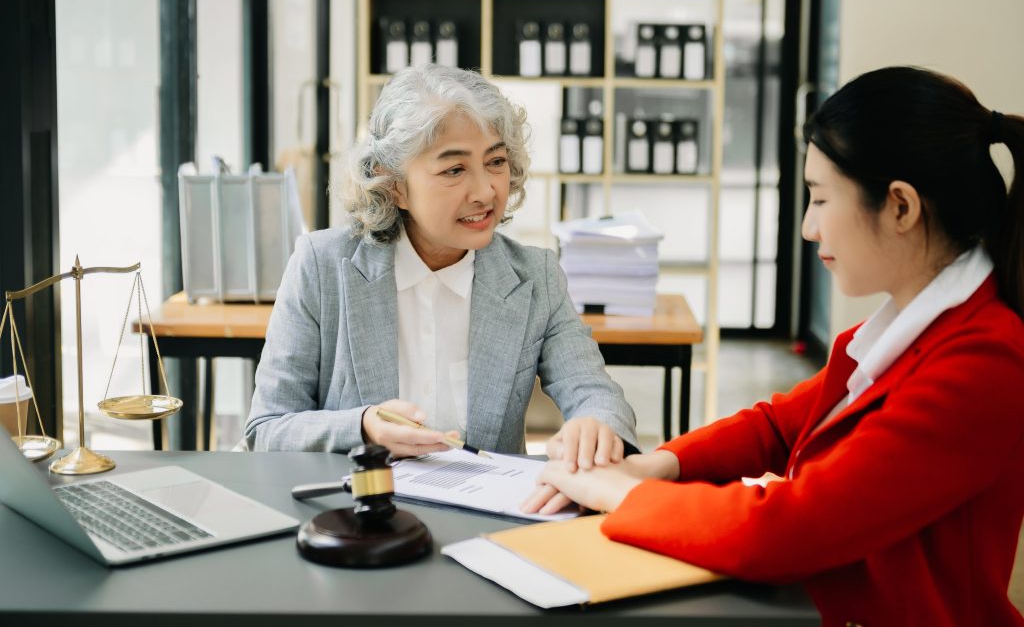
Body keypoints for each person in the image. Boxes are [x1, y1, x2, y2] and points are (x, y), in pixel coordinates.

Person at [523, 66, 1024, 625]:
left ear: (901, 207)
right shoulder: (903, 331)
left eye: (820, 200)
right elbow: (777, 426)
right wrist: (658, 466)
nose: (810, 228)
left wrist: (619, 492)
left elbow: (787, 529)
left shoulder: (983, 362)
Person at [244, 64, 638, 468]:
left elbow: (597, 394)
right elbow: (268, 428)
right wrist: (362, 426)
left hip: (491, 517)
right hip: (360, 515)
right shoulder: (322, 266)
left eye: (496, 161)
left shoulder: (535, 276)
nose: (486, 191)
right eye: (454, 169)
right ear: (394, 185)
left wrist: (596, 424)